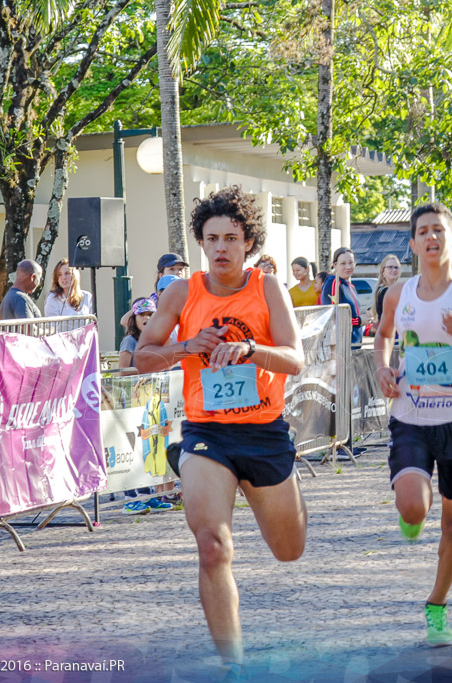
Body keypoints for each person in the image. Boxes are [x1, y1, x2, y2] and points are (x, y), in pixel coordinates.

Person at [134, 186, 306, 671]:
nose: (222, 248)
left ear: (247, 242)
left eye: (232, 238)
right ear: (201, 244)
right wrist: (188, 346)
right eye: (212, 239)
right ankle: (235, 665)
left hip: (265, 431)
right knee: (213, 545)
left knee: (289, 551)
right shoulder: (181, 292)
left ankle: (288, 482)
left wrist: (252, 351)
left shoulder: (266, 287)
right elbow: (141, 357)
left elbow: (296, 358)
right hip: (208, 433)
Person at [374, 202, 452, 648]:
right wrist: (384, 368)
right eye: (423, 231)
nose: (431, 238)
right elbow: (384, 334)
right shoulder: (398, 294)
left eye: (439, 231)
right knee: (413, 506)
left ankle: (437, 605)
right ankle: (411, 516)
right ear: (412, 243)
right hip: (411, 418)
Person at [118, 297, 173, 515]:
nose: (147, 319)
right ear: (135, 319)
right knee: (133, 449)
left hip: (152, 401)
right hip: (133, 401)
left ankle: (148, 495)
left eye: (151, 315)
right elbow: (123, 372)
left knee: (150, 448)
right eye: (143, 316)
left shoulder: (154, 341)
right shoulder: (129, 342)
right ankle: (130, 499)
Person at [321, 247, 362, 346]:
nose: (348, 267)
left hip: (354, 345)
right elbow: (332, 317)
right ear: (335, 265)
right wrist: (359, 321)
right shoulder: (333, 283)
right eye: (343, 263)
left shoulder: (350, 286)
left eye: (351, 263)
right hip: (340, 347)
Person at [373, 254, 402, 326]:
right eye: (390, 267)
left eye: (396, 267)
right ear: (383, 271)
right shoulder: (384, 291)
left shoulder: (395, 289)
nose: (394, 270)